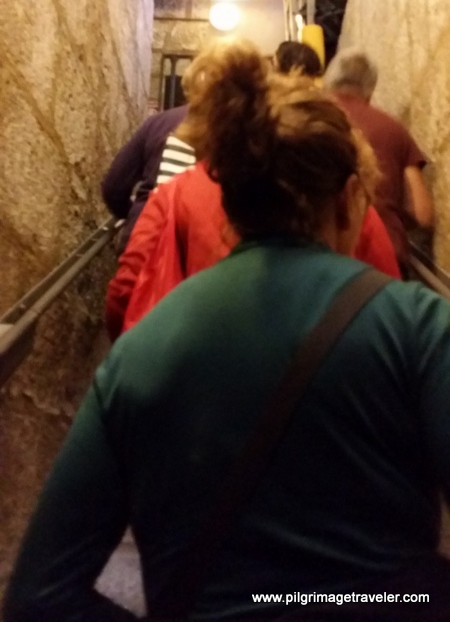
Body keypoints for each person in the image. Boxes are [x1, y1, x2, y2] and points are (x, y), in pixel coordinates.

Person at [5, 41, 450, 622]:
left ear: (232, 199)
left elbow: (39, 595)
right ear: (348, 199)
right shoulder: (417, 327)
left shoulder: (141, 352)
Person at [104, 54, 400, 341]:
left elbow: (127, 289)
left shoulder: (176, 193)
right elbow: (389, 302)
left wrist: (137, 354)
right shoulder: (345, 200)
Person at [323, 47, 434, 271]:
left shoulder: (309, 122)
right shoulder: (394, 129)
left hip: (325, 264)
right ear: (370, 89)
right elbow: (423, 214)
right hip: (386, 261)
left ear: (329, 81)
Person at [101, 104, 189, 251]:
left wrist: (134, 213)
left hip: (142, 240)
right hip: (195, 251)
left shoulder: (159, 122)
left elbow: (114, 186)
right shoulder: (234, 128)